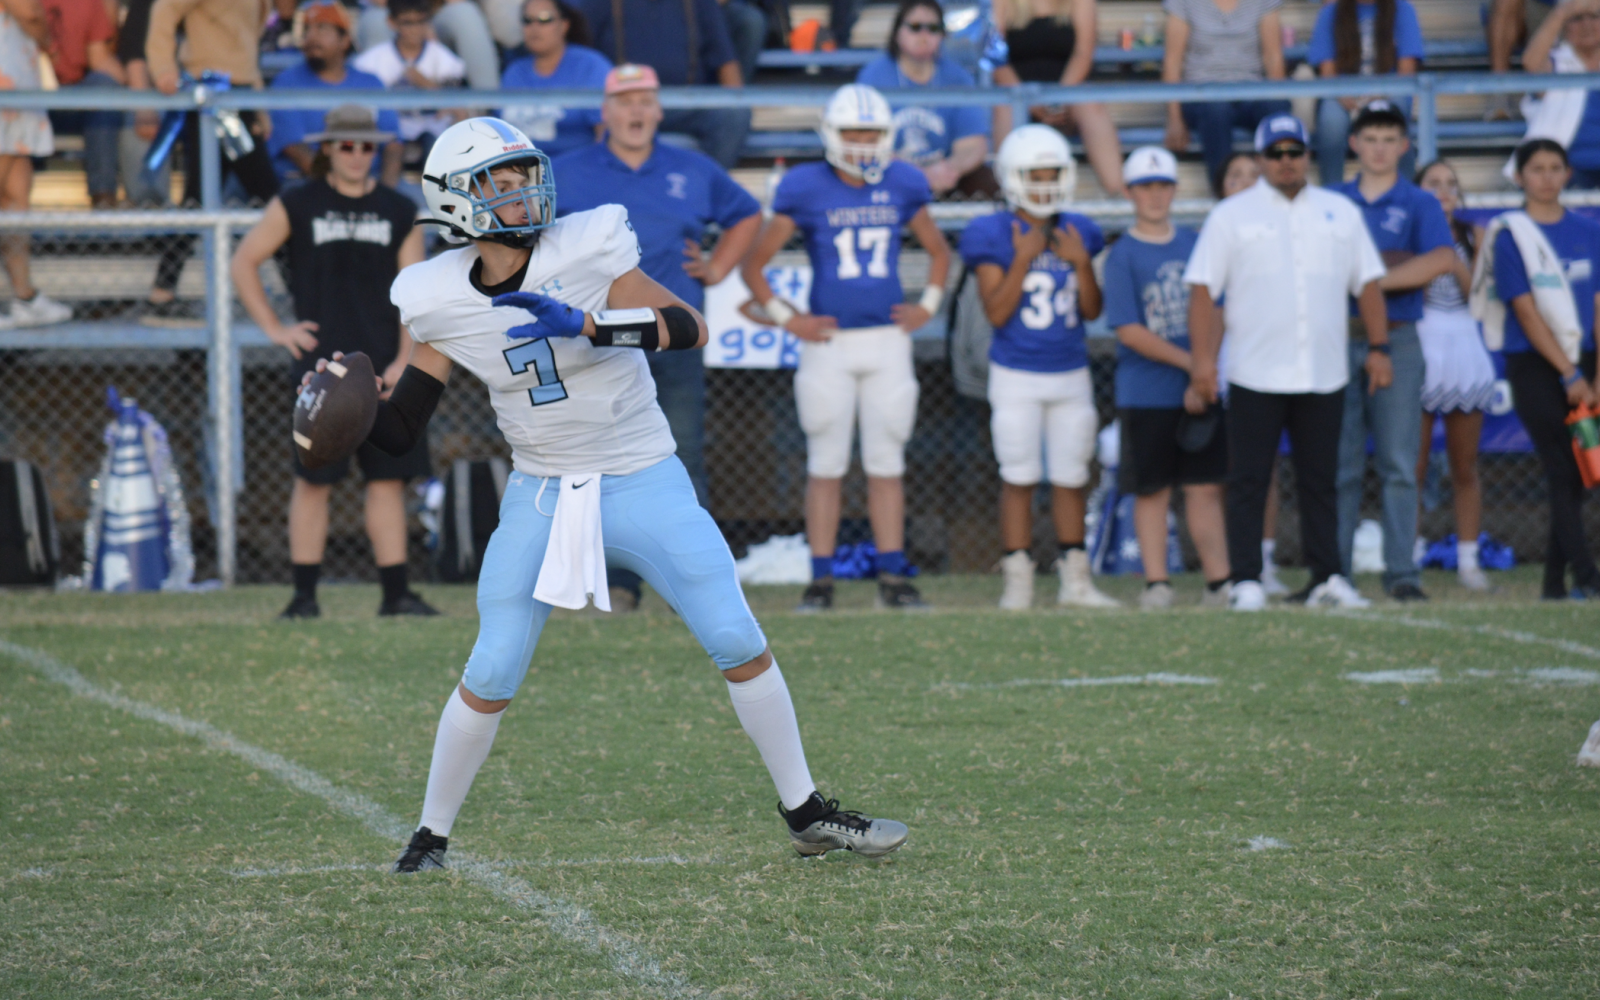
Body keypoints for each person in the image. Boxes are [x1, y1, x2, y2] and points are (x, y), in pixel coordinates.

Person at [321, 115, 908, 869]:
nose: (521, 192)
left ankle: (806, 812)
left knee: (734, 635)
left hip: (639, 472)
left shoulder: (587, 245)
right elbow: (403, 427)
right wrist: (348, 415)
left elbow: (689, 326)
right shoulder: (436, 295)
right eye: (498, 184)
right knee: (494, 664)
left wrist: (594, 325)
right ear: (456, 201)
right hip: (539, 491)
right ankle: (430, 835)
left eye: (523, 175)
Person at [553, 63, 762, 608]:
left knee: (682, 456)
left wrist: (717, 267)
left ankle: (693, 583)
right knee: (599, 463)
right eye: (624, 101)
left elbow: (746, 214)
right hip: (596, 342)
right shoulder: (566, 171)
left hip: (673, 336)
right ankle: (616, 585)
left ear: (660, 110)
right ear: (604, 112)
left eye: (645, 100)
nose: (636, 111)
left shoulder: (692, 168)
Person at [741, 84, 951, 611]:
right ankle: (821, 581)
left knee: (887, 463)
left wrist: (927, 304)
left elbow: (939, 251)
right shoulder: (805, 185)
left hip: (887, 341)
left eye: (872, 134)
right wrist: (791, 320)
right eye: (853, 133)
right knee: (825, 464)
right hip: (828, 344)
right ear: (830, 135)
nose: (862, 143)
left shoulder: (904, 180)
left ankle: (892, 579)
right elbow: (754, 265)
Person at [230, 105, 436, 620]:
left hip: (386, 371)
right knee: (313, 481)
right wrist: (278, 330)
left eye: (366, 146)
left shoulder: (398, 208)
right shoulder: (298, 201)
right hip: (319, 374)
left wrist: (404, 360)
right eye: (346, 145)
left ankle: (396, 595)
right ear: (327, 148)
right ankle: (303, 598)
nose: (357, 155)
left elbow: (413, 294)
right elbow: (243, 261)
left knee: (388, 482)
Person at [1184, 113, 1389, 611]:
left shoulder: (1340, 211)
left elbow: (1368, 283)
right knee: (1249, 478)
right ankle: (1247, 579)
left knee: (1324, 479)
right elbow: (1204, 290)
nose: (1285, 162)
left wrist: (1380, 348)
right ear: (1259, 159)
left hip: (1323, 369)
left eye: (1293, 152)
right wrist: (1202, 363)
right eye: (1274, 154)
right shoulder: (1231, 216)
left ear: (1307, 156)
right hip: (1255, 369)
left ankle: (1328, 576)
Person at [960, 125, 1118, 610]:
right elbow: (997, 312)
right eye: (1035, 175)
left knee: (1072, 475)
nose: (1046, 184)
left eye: (1053, 174)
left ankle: (1076, 582)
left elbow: (1093, 312)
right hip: (1016, 374)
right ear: (1012, 178)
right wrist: (1024, 259)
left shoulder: (1079, 231)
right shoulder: (992, 234)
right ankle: (1019, 582)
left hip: (1070, 371)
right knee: (1019, 476)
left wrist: (1082, 265)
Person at [1333, 99, 1457, 603]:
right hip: (1337, 335)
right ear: (1353, 143)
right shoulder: (1333, 200)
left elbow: (1442, 259)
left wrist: (1369, 281)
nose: (1379, 148)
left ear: (1404, 146)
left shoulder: (1419, 202)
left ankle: (1402, 571)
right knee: (1337, 463)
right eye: (1370, 137)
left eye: (1389, 138)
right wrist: (1377, 282)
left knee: (1400, 462)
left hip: (1400, 336)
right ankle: (1333, 571)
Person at [1103, 146, 1230, 611]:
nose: (1154, 196)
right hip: (1147, 391)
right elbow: (1130, 330)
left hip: (1199, 383)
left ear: (1175, 190)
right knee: (1152, 488)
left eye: (1162, 186)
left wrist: (1205, 370)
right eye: (1144, 187)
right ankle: (1157, 581)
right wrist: (1193, 366)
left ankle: (1219, 581)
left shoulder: (1196, 243)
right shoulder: (1123, 255)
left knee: (1204, 486)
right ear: (1130, 193)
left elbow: (1217, 308)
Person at [1481, 139, 1600, 599]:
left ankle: (1553, 583)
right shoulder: (1511, 234)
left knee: (1577, 472)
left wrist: (1594, 375)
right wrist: (1569, 375)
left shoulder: (1589, 231)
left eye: (1556, 168)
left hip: (1585, 364)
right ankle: (1587, 576)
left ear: (1569, 175)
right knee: (1562, 466)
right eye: (1537, 169)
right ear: (1520, 177)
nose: (1547, 177)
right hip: (1535, 365)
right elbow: (1526, 313)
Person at [142, 0, 279, 327]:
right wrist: (163, 68)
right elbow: (164, 11)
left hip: (240, 97)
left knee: (201, 198)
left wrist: (259, 107)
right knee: (274, 201)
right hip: (210, 99)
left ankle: (162, 291)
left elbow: (246, 47)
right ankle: (305, 294)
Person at [1413, 159, 1497, 591]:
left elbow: (1479, 299)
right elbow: (1414, 292)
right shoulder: (1409, 233)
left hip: (1463, 345)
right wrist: (1430, 250)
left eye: (1450, 184)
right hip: (1422, 344)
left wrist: (1452, 255)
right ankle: (1407, 557)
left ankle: (1468, 561)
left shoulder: (1473, 236)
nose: (1443, 191)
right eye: (1433, 184)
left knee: (1464, 467)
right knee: (1415, 465)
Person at [1211, 149, 1289, 594]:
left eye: (1251, 175)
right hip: (1222, 360)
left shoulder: (1281, 233)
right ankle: (1228, 565)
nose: (1243, 183)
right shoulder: (1215, 232)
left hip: (1266, 360)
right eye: (1234, 175)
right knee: (1224, 469)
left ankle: (1264, 557)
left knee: (1263, 467)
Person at [583, 0, 750, 169]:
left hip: (684, 104)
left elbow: (725, 59)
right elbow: (582, 56)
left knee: (735, 114)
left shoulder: (700, 2)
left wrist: (735, 100)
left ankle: (706, 186)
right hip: (624, 104)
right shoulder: (600, 3)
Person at [858, 0, 995, 197]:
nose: (924, 35)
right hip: (889, 178)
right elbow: (863, 142)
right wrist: (917, 174)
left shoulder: (958, 78)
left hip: (946, 180)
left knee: (989, 182)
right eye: (915, 27)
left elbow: (973, 144)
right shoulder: (873, 77)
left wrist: (948, 169)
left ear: (942, 35)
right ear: (897, 32)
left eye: (932, 28)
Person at [990, 0, 1125, 198]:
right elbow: (996, 59)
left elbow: (1083, 54)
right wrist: (1029, 101)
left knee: (1090, 103)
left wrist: (1058, 100)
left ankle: (1120, 195)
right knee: (1004, 107)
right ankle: (1007, 196)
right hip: (1018, 97)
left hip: (1068, 98)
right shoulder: (1001, 3)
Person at [268, 1, 403, 188]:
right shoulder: (286, 83)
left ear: (345, 40)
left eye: (322, 29)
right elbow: (296, 150)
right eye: (307, 30)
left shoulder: (370, 83)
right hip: (306, 184)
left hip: (370, 181)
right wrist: (342, 194)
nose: (312, 37)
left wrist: (387, 194)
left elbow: (393, 144)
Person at [1161, 0, 1289, 187]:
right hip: (1201, 94)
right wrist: (1174, 119)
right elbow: (1172, 61)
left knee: (1277, 108)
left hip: (1250, 92)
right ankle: (1223, 192)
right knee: (1215, 109)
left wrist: (1276, 97)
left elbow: (1273, 56)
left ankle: (1280, 188)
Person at [0, 0, 71, 328]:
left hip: (18, 88)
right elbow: (29, 11)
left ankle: (24, 296)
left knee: (15, 199)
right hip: (6, 91)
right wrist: (46, 39)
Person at [1306, 0, 1424, 188]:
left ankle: (1405, 194)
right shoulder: (1330, 13)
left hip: (1390, 93)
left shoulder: (1402, 9)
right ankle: (1331, 193)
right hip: (1343, 95)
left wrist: (1380, 96)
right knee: (1331, 121)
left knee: (1396, 113)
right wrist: (1344, 96)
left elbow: (1407, 70)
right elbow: (1327, 72)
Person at [351, 0, 468, 165]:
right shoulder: (370, 62)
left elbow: (460, 112)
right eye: (408, 23)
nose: (415, 29)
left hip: (432, 138)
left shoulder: (445, 59)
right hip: (389, 138)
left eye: (421, 22)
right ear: (391, 22)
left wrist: (427, 85)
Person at [499, 0, 611, 159]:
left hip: (576, 175)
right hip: (521, 176)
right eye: (527, 20)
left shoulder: (590, 66)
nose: (535, 27)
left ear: (564, 25)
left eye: (545, 19)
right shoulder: (514, 73)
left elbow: (608, 134)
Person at [40, 0, 124, 209]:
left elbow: (99, 59)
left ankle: (103, 196)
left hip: (72, 98)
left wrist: (140, 94)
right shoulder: (19, 5)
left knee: (103, 87)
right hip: (27, 97)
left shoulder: (90, 3)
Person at [1520, 0, 1600, 189]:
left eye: (1595, 17)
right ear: (1564, 27)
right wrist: (1562, 11)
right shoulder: (1556, 63)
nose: (1586, 25)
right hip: (1565, 169)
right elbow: (1530, 63)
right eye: (1577, 18)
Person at [358, 0, 501, 91]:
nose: (414, 29)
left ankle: (488, 109)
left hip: (434, 10)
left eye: (418, 23)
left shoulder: (441, 56)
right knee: (376, 22)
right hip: (391, 9)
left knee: (465, 14)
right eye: (410, 24)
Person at [114, 0, 171, 208]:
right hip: (163, 91)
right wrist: (145, 107)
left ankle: (227, 212)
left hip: (211, 90)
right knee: (144, 114)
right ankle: (148, 205)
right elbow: (134, 52)